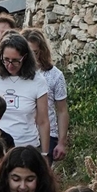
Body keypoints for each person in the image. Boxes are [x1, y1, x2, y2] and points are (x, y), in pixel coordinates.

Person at [0, 33, 50, 154]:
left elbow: (43, 121)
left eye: (16, 61)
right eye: (6, 60)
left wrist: (44, 154)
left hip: (27, 147)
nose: (10, 65)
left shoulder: (38, 80)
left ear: (25, 58)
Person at [24, 28, 69, 164]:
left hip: (48, 135)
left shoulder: (55, 75)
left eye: (35, 52)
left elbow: (62, 110)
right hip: (22, 133)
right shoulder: (16, 75)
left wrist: (61, 142)